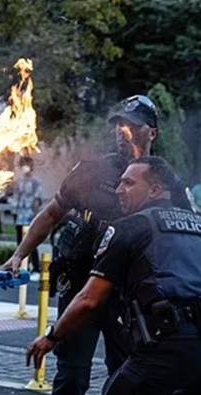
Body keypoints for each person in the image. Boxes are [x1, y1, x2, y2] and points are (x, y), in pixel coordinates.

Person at [2, 95, 186, 395]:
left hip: (130, 296)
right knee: (71, 377)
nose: (121, 131)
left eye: (132, 126)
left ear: (152, 132)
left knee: (125, 373)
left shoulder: (164, 178)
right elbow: (50, 214)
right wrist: (18, 255)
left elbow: (182, 232)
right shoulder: (91, 171)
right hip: (80, 288)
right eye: (119, 125)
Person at [26, 156, 201, 395]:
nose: (118, 190)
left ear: (155, 190)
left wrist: (51, 336)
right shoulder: (197, 224)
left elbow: (89, 299)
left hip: (164, 347)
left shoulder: (130, 227)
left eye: (128, 183)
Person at [13, 156, 43, 275]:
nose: (24, 167)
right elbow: (15, 197)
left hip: (30, 216)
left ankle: (36, 268)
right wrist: (14, 212)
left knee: (31, 242)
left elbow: (37, 200)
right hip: (19, 216)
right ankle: (21, 267)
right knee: (19, 243)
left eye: (26, 164)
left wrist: (35, 216)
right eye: (22, 165)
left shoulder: (36, 183)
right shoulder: (19, 182)